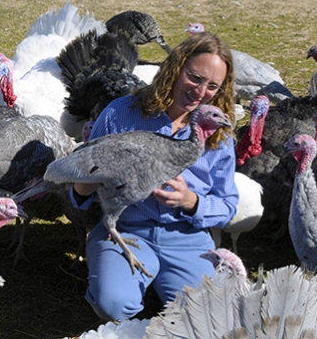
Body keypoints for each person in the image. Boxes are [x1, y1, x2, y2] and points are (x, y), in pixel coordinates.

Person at [71, 30, 239, 321]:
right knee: (115, 302)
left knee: (210, 316)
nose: (200, 92)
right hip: (126, 229)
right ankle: (119, 283)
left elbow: (227, 205)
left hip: (187, 237)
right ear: (175, 69)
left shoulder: (217, 135)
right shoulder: (120, 114)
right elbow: (79, 196)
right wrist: (86, 183)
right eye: (195, 78)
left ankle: (160, 283)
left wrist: (192, 202)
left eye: (213, 86)